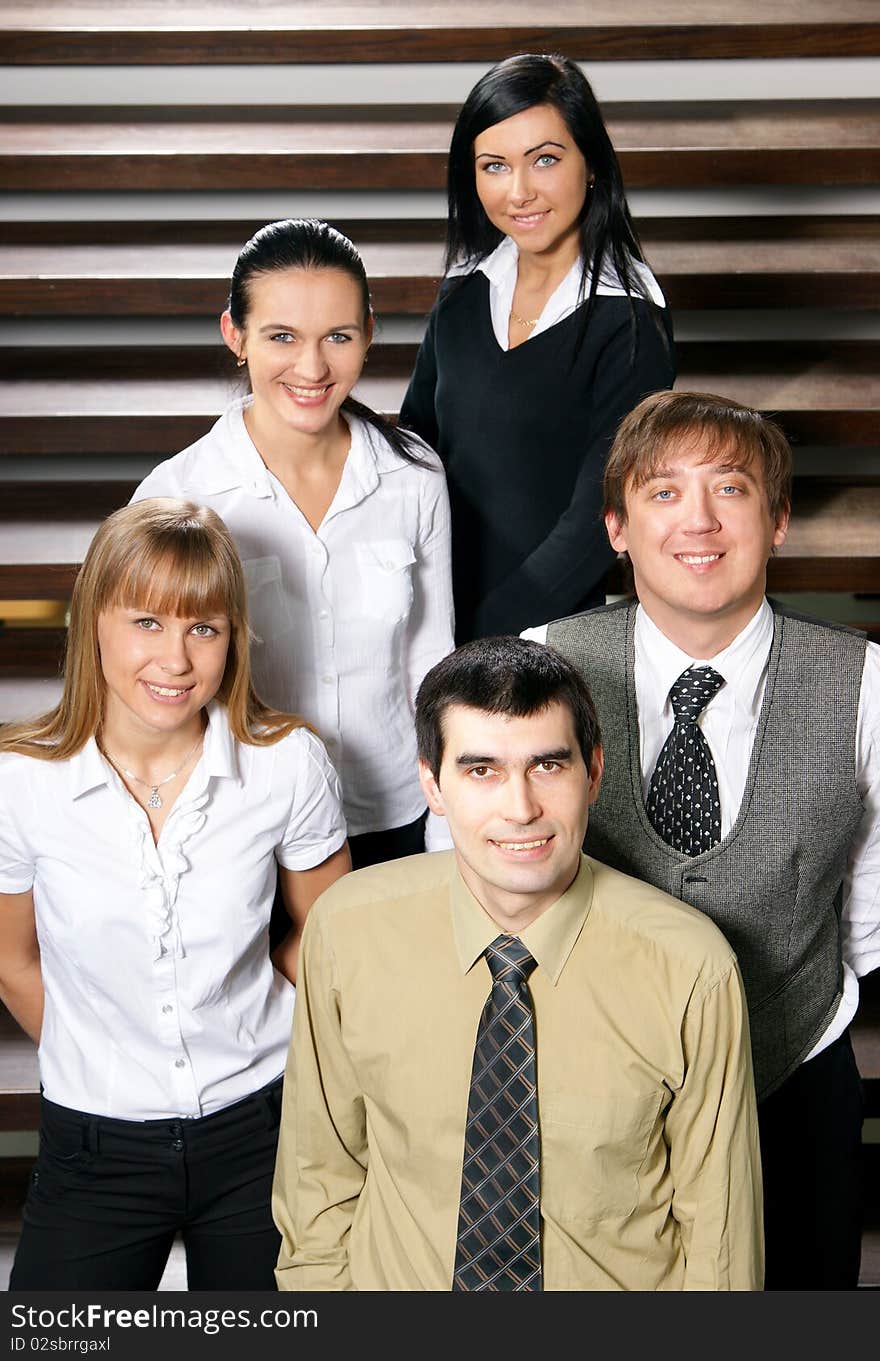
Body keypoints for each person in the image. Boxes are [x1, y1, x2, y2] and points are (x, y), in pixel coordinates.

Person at [272, 636, 763, 1291]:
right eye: (481, 770)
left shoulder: (691, 968)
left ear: (593, 771)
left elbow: (721, 1247)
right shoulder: (348, 930)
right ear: (432, 784)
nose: (521, 807)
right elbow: (318, 1184)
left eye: (548, 766)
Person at [525, 389, 879, 1290]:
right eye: (665, 493)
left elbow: (871, 905)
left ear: (780, 521)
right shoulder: (542, 661)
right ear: (616, 526)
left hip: (794, 1073)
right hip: (589, 1080)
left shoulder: (866, 683)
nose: (701, 522)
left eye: (731, 489)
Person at [0, 499, 351, 1290]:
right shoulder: (20, 783)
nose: (177, 658)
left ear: (235, 639)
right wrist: (109, 1050)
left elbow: (328, 934)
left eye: (205, 627)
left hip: (263, 1131)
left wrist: (257, 1021)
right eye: (147, 622)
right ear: (94, 623)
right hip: (95, 1147)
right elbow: (14, 959)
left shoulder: (288, 764)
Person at [133, 218, 455, 868]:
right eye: (282, 336)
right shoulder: (177, 494)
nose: (312, 367)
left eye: (338, 336)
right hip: (245, 824)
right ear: (236, 335)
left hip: (392, 812)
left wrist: (444, 815)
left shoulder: (414, 474)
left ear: (368, 332)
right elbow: (153, 684)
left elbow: (432, 659)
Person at [399, 52, 675, 644]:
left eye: (544, 160)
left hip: (546, 634)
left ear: (592, 163)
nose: (519, 192)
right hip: (429, 612)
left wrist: (481, 637)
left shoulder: (629, 316)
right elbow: (415, 443)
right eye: (494, 166)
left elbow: (595, 523)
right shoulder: (465, 290)